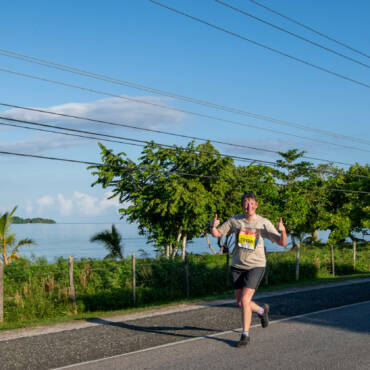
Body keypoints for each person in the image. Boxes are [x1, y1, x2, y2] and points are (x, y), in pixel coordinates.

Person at [210, 192, 287, 347]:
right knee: (240, 302)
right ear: (242, 206)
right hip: (237, 266)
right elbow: (217, 234)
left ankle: (245, 335)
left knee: (245, 300)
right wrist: (213, 226)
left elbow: (281, 243)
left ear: (256, 205)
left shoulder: (263, 223)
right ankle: (262, 311)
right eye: (246, 203)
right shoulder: (235, 221)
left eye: (252, 203)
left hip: (256, 265)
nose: (249, 206)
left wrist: (283, 231)